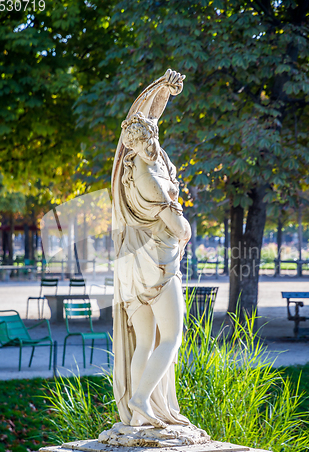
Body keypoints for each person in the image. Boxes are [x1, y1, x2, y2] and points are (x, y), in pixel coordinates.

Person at [112, 70, 191, 428]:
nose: (153, 142)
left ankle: (134, 412)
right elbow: (178, 227)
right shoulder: (153, 182)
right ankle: (143, 398)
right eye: (149, 138)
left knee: (145, 341)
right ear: (143, 141)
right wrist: (185, 230)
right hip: (158, 265)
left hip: (132, 267)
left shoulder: (127, 172)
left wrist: (162, 90)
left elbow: (146, 114)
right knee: (172, 336)